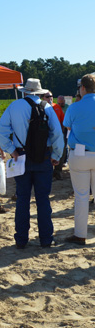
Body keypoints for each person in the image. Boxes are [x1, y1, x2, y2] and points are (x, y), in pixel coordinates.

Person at [0, 78, 64, 248]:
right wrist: (56, 155)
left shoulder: (14, 107)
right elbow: (57, 135)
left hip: (21, 157)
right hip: (44, 157)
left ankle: (21, 240)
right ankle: (46, 239)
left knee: (22, 200)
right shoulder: (47, 107)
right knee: (43, 200)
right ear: (40, 92)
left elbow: (1, 131)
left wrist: (11, 150)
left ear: (24, 91)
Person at [63, 74, 95, 246]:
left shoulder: (74, 107)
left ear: (82, 87)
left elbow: (67, 126)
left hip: (80, 154)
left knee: (81, 196)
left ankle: (80, 235)